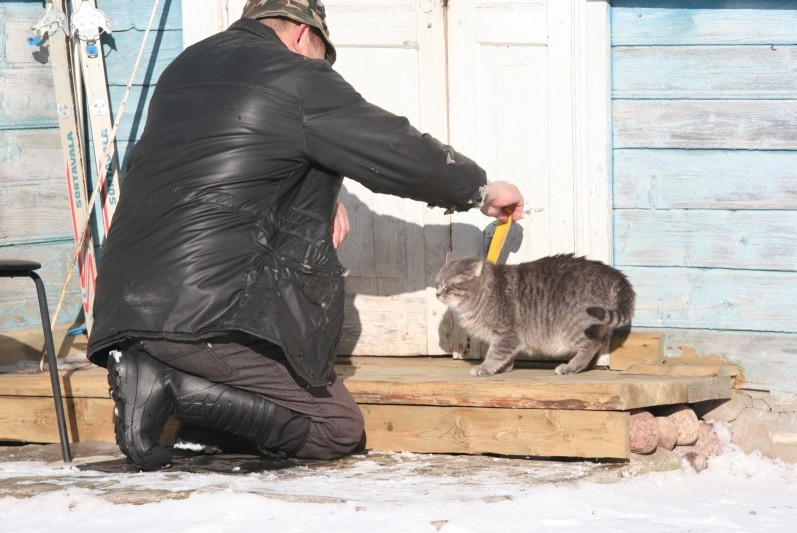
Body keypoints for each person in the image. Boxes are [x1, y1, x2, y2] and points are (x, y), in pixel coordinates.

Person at [88, 0, 524, 471]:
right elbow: (395, 150)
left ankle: (166, 380)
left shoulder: (186, 68)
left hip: (126, 307)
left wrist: (313, 193)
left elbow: (227, 165)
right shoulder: (297, 75)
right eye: (322, 53)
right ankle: (170, 387)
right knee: (334, 428)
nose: (322, 66)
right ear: (300, 34)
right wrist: (479, 188)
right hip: (209, 316)